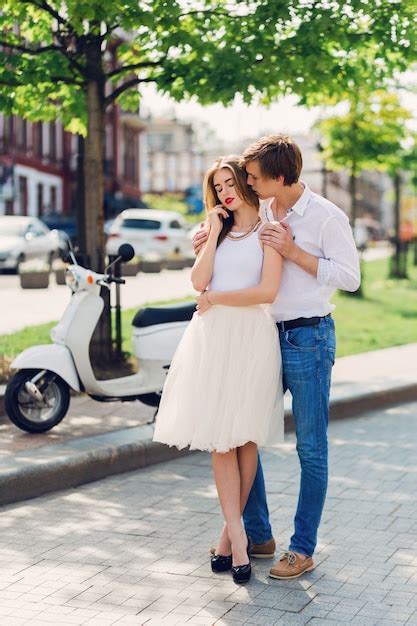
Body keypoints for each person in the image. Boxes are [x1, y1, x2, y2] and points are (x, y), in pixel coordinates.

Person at [193, 134, 360, 580]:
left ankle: (302, 548)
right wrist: (209, 234)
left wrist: (294, 253)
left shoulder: (326, 216)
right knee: (246, 431)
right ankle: (258, 533)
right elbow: (236, 230)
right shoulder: (263, 209)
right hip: (261, 336)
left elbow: (350, 277)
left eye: (253, 176)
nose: (247, 182)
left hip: (308, 337)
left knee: (311, 447)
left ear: (280, 177)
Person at [153, 155, 285, 584]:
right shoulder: (214, 231)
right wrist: (211, 232)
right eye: (218, 186)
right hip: (213, 340)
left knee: (244, 437)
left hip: (251, 337)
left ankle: (230, 539)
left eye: (231, 182)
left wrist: (217, 299)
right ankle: (239, 539)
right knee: (219, 440)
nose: (226, 191)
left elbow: (267, 290)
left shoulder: (269, 230)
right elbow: (198, 281)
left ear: (245, 183)